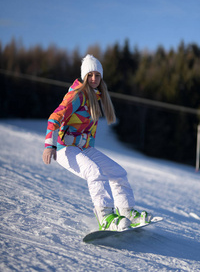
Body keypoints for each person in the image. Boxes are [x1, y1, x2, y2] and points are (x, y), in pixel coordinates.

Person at [43, 54, 152, 231]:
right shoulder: (76, 95)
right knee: (94, 171)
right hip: (65, 149)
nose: (94, 79)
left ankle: (126, 212)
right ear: (85, 76)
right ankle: (105, 216)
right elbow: (54, 118)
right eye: (90, 75)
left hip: (83, 148)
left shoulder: (95, 96)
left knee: (118, 172)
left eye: (98, 75)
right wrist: (49, 146)